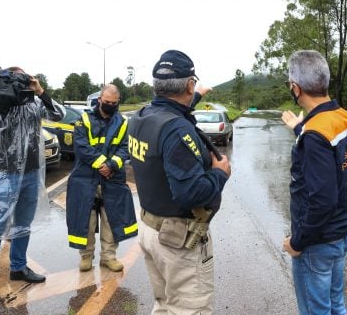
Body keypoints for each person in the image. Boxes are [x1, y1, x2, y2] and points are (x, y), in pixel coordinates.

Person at [128, 50, 231, 314]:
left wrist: (197, 96)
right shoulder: (176, 129)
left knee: (163, 306)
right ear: (188, 84)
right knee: (189, 309)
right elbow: (191, 193)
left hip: (151, 228)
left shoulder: (141, 118)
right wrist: (220, 173)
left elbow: (172, 110)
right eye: (193, 84)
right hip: (177, 240)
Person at [0, 66, 65, 308]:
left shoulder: (33, 103)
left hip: (31, 173)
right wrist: (2, 103)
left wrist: (40, 90)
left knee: (23, 224)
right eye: (17, 81)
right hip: (3, 174)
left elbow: (59, 115)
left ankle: (18, 267)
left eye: (24, 80)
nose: (21, 85)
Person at [281, 50, 347, 315]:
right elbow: (332, 155)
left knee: (316, 311)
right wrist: (299, 129)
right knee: (336, 304)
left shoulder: (314, 134)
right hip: (342, 233)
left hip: (317, 243)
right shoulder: (346, 119)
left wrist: (298, 242)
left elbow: (323, 200)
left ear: (296, 88)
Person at [65, 84, 137, 272]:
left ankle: (108, 257)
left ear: (118, 101)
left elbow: (125, 148)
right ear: (100, 100)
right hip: (85, 178)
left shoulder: (122, 122)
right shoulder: (84, 120)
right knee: (85, 221)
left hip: (112, 179)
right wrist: (103, 164)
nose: (110, 105)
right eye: (107, 102)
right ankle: (86, 256)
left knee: (110, 220)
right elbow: (81, 147)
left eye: (114, 103)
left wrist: (111, 166)